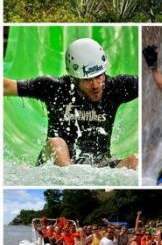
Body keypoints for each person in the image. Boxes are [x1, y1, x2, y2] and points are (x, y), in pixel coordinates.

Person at [3, 38, 138, 169]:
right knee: (56, 143)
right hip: (57, 163)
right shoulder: (55, 89)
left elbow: (149, 84)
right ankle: (72, 182)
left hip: (99, 165)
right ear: (75, 78)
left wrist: (153, 67)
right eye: (88, 80)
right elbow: (6, 86)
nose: (96, 85)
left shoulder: (115, 87)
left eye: (99, 76)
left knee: (135, 161)